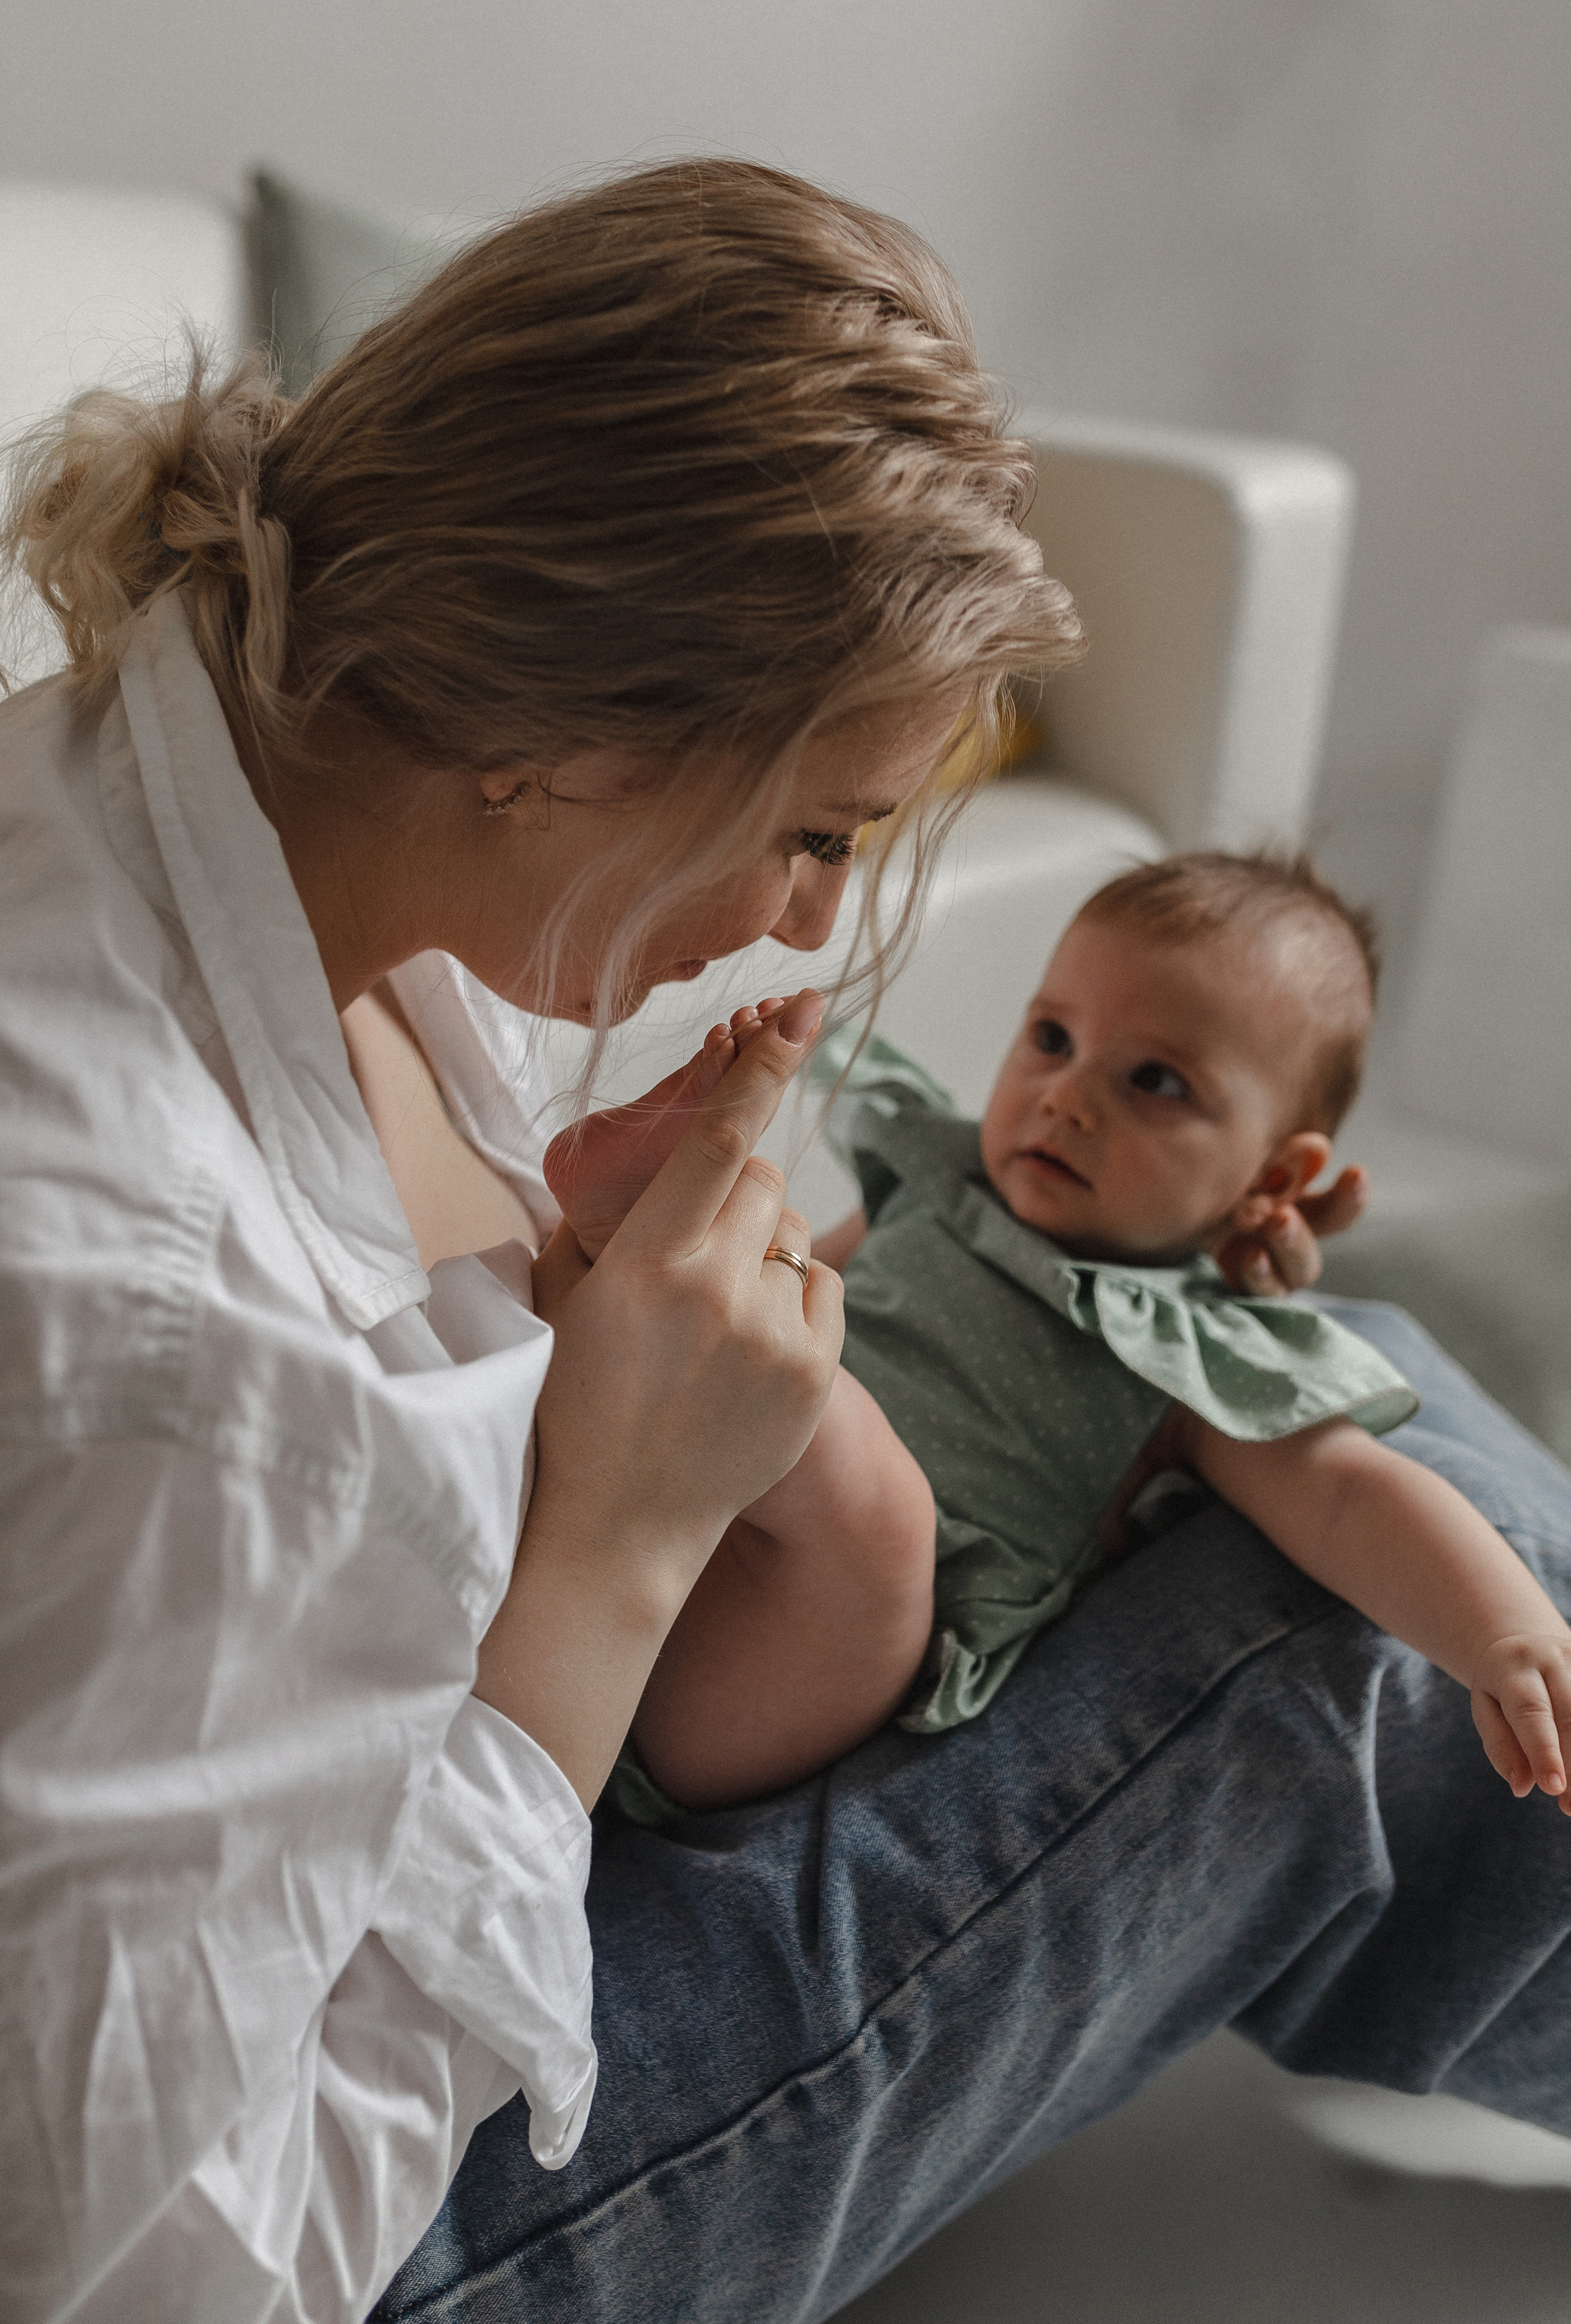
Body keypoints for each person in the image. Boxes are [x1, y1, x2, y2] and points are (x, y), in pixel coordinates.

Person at [0, 160, 1558, 2324]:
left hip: (387, 1897)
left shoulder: (215, 814)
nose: (817, 924)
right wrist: (618, 1553)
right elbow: (160, 2277)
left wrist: (572, 1257)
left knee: (1331, 1409)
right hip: (350, 2239)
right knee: (1338, 1650)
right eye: (820, 833)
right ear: (562, 732)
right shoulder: (160, 1333)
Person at [542, 853, 1571, 1824]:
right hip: (638, 1532)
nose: (1065, 1098)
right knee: (762, 1301)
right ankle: (638, 1253)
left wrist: (1508, 1631)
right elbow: (818, 1291)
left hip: (784, 1663)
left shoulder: (1184, 1353)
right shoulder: (940, 1181)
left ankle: (652, 1240)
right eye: (1052, 1039)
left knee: (873, 1498)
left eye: (1155, 1083)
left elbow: (1352, 1496)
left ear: (1272, 1181)